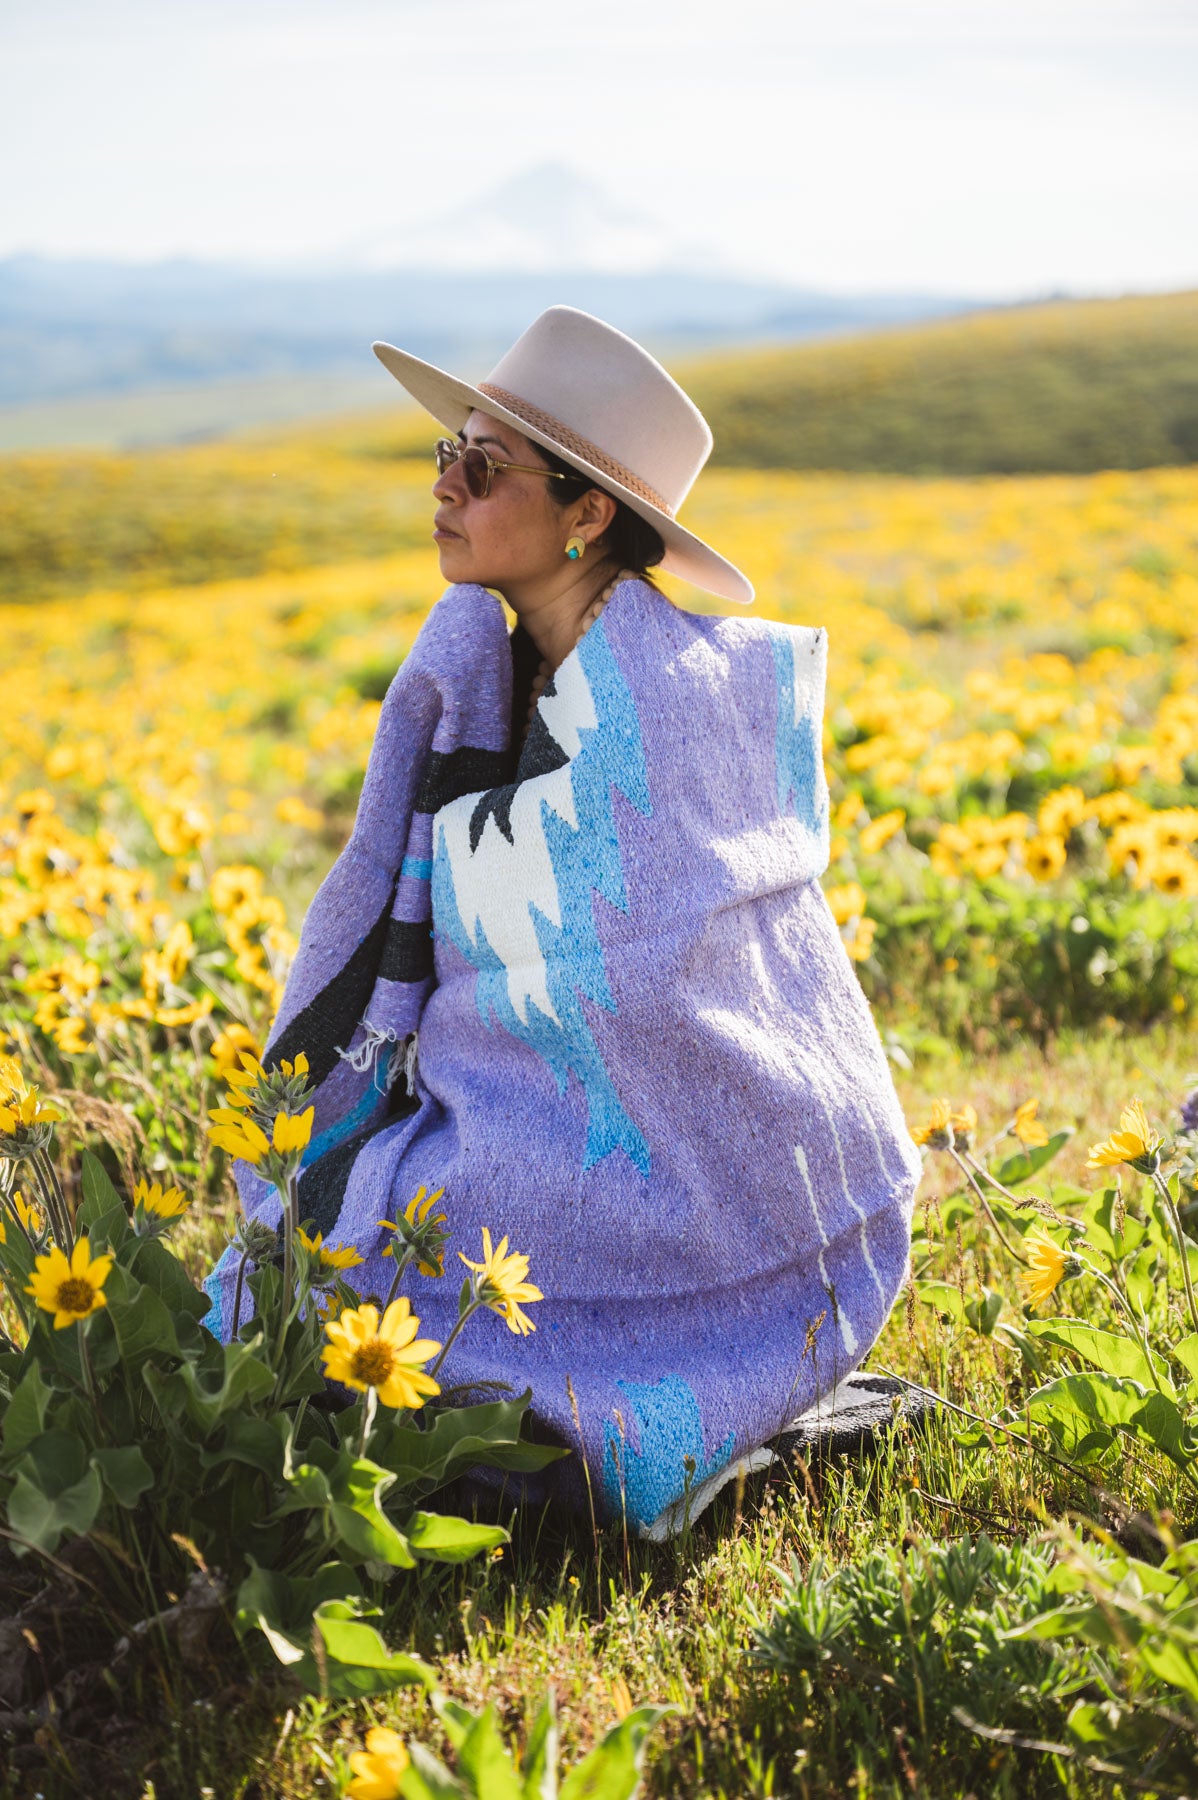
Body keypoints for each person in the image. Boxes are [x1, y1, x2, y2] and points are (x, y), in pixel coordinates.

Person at [205, 306, 922, 1538]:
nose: (445, 489)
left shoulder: (669, 705)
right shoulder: (481, 679)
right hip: (519, 1126)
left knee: (364, 1304)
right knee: (302, 1297)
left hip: (719, 1180)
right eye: (445, 456)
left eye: (481, 470)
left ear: (587, 515)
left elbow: (647, 1010)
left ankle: (654, 1389)